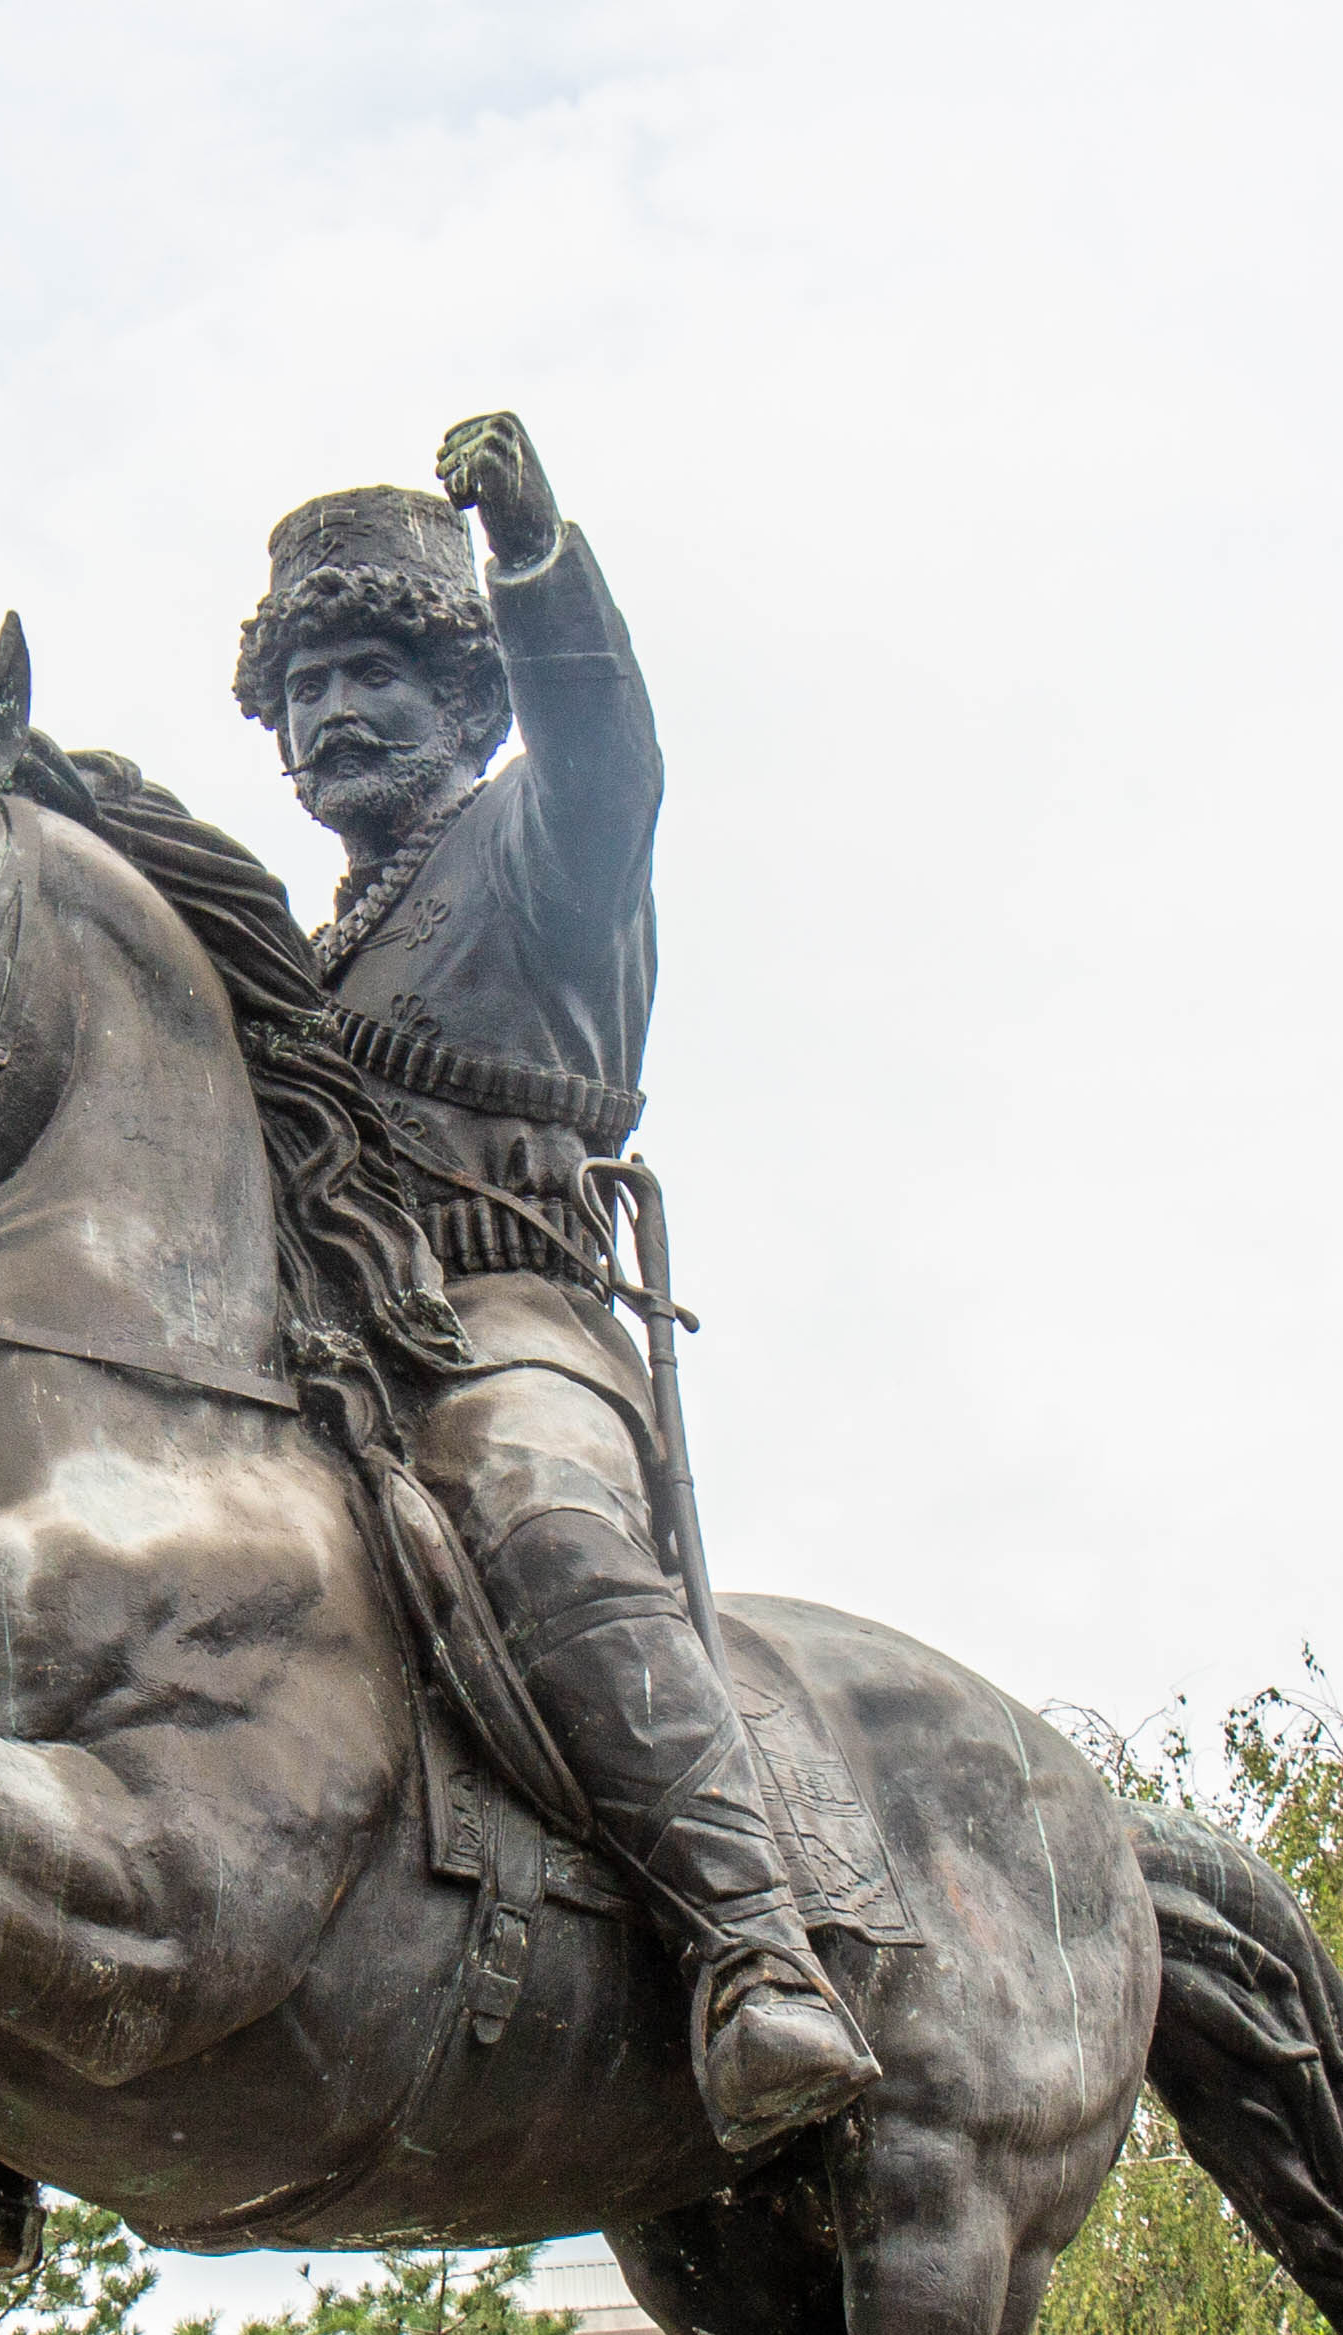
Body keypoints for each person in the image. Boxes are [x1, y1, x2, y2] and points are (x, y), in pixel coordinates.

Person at [236, 412, 876, 2153]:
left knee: (535, 1512)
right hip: (321, 1352)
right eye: (304, 690)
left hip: (511, 1320)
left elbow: (609, 745)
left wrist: (533, 561)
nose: (331, 714)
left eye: (372, 675)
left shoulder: (548, 846)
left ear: (468, 703)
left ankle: (755, 1949)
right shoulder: (305, 956)